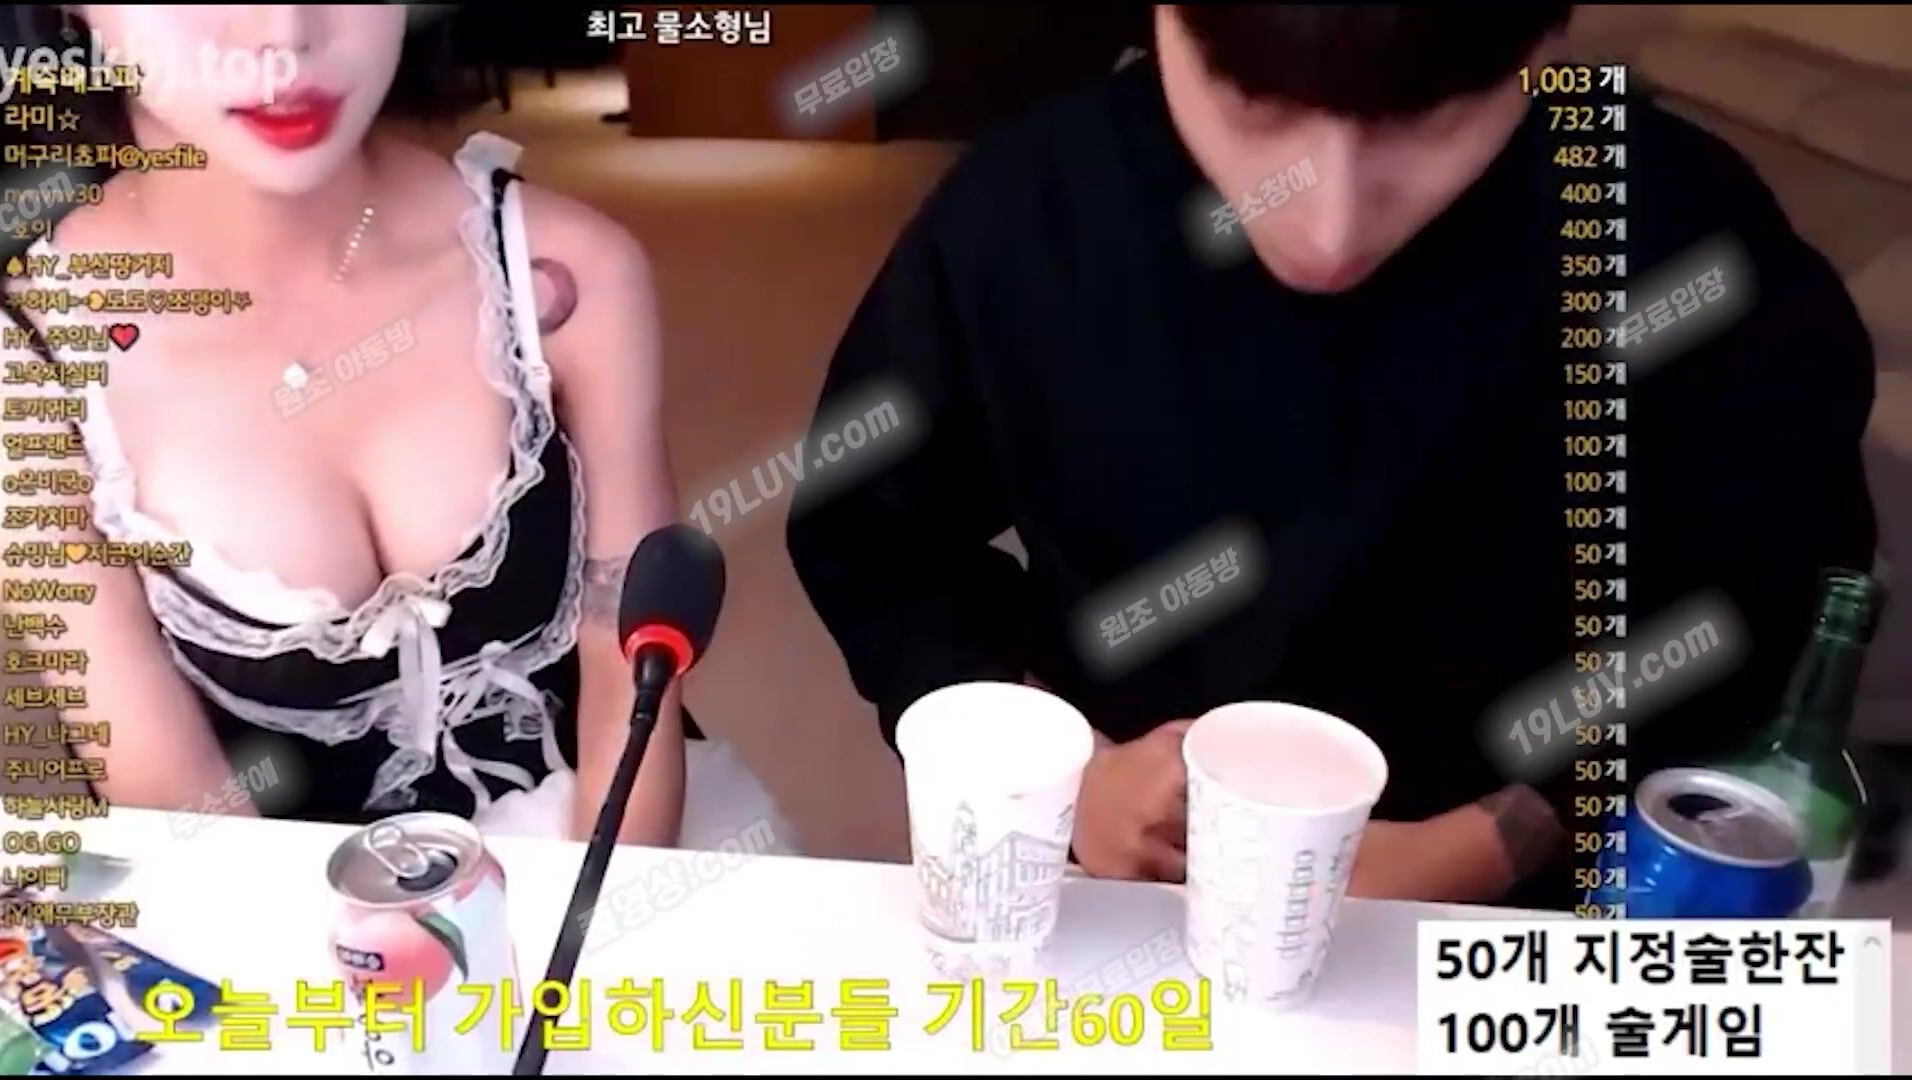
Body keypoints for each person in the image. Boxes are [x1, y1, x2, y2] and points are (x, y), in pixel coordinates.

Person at [787, 4, 1877, 908]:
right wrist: (1066, 773)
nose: (1330, 224)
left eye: (1430, 119)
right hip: (1125, 873)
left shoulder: (1681, 235)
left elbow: (1769, 598)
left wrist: (1509, 831)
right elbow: (877, 545)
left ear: (1541, 41)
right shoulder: (1024, 216)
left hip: (1533, 901)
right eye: (1256, 109)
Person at [0, 5, 798, 854]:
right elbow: (173, 807)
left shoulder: (564, 272)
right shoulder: (27, 361)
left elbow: (625, 664)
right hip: (277, 913)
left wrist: (596, 919)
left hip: (599, 866)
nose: (285, 36)